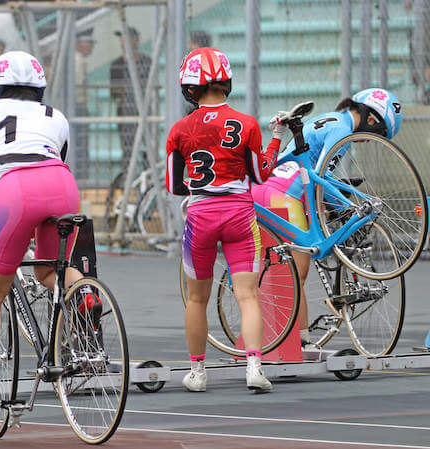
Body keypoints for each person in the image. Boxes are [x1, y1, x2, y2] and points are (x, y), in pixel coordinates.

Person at [0, 51, 99, 394]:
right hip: (62, 186)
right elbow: (59, 160)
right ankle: (84, 293)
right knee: (50, 270)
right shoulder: (54, 115)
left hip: (14, 189)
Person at [167, 47, 286, 393]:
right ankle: (254, 367)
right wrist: (276, 138)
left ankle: (198, 373)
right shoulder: (247, 124)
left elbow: (175, 185)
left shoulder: (179, 130)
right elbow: (261, 175)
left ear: (190, 89)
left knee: (197, 299)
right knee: (248, 295)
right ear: (226, 82)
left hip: (201, 215)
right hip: (239, 214)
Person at [252, 88, 403, 349]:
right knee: (295, 275)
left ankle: (295, 341)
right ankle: (295, 343)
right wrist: (346, 208)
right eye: (377, 134)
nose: (370, 140)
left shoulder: (333, 119)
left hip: (275, 187)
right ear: (370, 120)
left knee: (290, 272)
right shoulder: (343, 130)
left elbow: (317, 174)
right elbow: (319, 178)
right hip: (284, 193)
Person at [110, 26, 153, 170]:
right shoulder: (116, 64)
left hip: (144, 108)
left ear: (136, 41)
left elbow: (150, 85)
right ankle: (127, 177)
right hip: (124, 109)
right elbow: (114, 90)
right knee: (127, 148)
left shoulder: (146, 61)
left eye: (127, 38)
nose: (123, 42)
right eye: (122, 39)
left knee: (148, 147)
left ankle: (148, 178)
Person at [74, 28, 95, 178]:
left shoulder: (78, 59)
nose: (91, 47)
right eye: (89, 43)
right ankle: (81, 175)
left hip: (78, 105)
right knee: (80, 144)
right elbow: (78, 85)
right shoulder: (78, 61)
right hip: (78, 105)